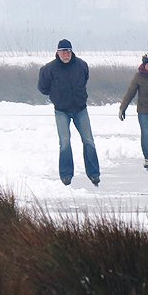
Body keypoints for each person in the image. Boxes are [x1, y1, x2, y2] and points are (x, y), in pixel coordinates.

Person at [37, 38, 100, 186]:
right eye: (63, 52)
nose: (66, 54)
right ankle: (66, 175)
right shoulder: (48, 69)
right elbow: (42, 88)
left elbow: (84, 80)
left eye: (68, 51)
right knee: (64, 142)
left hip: (80, 109)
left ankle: (94, 173)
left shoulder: (81, 65)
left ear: (72, 52)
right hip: (61, 110)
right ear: (58, 53)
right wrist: (57, 96)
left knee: (89, 141)